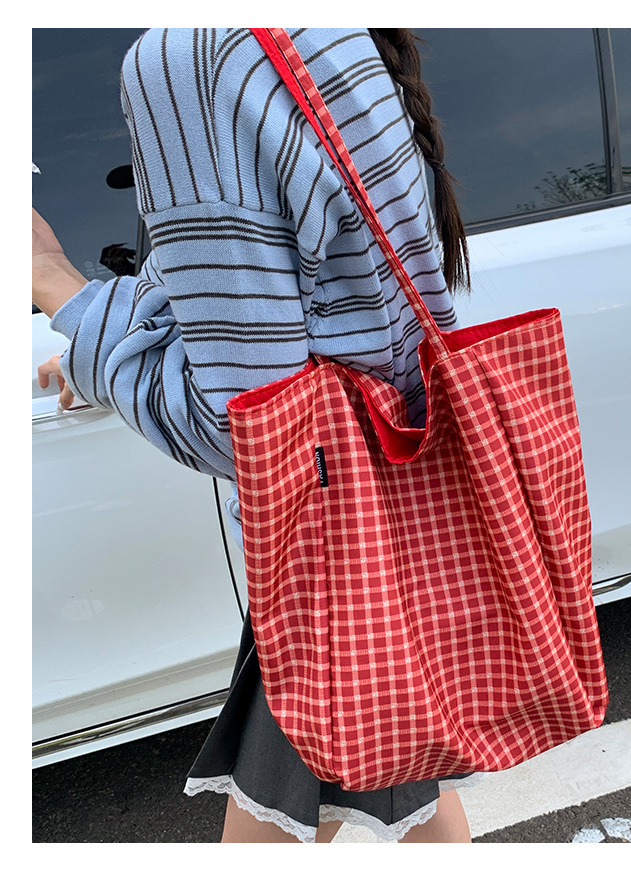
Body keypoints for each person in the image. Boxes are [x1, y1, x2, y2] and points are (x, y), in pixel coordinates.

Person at [32, 28, 475, 844]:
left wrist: (59, 285)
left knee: (364, 799)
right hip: (381, 514)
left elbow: (247, 433)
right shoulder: (319, 32)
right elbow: (313, 289)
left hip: (324, 545)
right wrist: (114, 340)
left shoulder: (189, 61)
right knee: (404, 791)